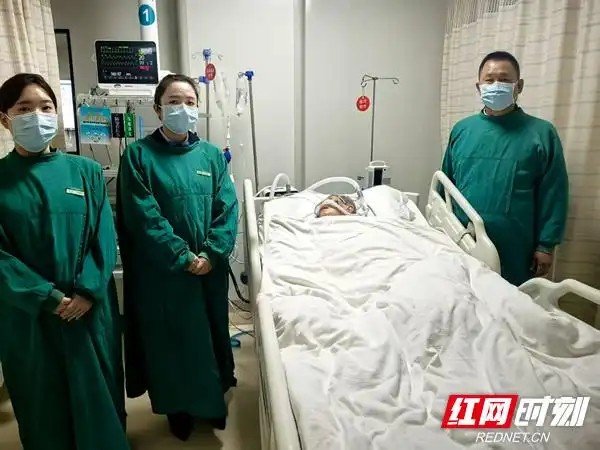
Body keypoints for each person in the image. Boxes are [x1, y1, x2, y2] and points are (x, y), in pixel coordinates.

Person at [0, 73, 128, 450]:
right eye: (24, 109)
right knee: (42, 399)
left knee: (97, 394)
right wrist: (47, 297)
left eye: (45, 107)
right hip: (29, 314)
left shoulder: (86, 172)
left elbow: (103, 236)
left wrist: (87, 291)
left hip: (88, 308)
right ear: (5, 119)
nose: (37, 116)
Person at [117, 74, 238, 440]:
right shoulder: (138, 156)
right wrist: (183, 257)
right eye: (173, 101)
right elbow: (143, 216)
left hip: (208, 271)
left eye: (189, 102)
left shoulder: (212, 156)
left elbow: (227, 208)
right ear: (158, 109)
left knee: (211, 336)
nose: (182, 108)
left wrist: (211, 253)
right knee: (171, 343)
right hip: (164, 274)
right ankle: (178, 409)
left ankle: (212, 405)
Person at [441, 51, 568, 286]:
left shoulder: (542, 134)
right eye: (489, 80)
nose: (496, 85)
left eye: (504, 79)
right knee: (459, 297)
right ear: (478, 87)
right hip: (461, 240)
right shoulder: (462, 130)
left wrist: (546, 245)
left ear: (519, 86)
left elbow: (554, 193)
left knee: (509, 303)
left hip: (515, 247)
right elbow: (445, 186)